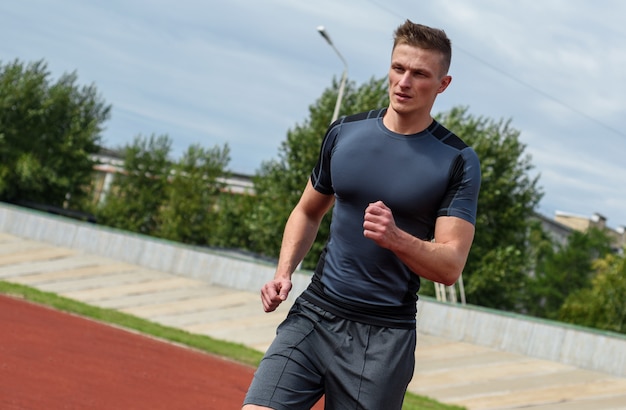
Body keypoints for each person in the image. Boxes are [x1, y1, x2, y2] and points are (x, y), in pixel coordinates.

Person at [243, 19, 481, 410]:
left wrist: (395, 237)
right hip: (315, 313)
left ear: (442, 84)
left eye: (420, 73)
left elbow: (450, 265)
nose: (404, 81)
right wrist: (284, 273)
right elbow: (307, 210)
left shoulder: (456, 159)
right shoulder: (344, 133)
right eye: (398, 68)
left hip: (384, 336)